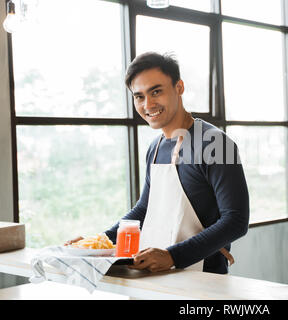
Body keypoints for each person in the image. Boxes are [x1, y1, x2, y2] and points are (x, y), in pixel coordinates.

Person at [65, 52, 249, 274]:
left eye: (156, 92)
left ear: (179, 87)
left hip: (203, 278)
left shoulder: (215, 143)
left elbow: (236, 220)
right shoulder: (155, 147)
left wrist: (173, 256)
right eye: (139, 96)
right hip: (156, 275)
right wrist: (96, 243)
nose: (148, 104)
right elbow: (143, 209)